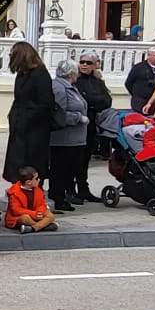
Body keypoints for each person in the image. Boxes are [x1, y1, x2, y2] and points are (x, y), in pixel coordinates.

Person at [4, 41, 53, 182]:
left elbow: (46, 103)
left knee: (32, 163)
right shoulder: (21, 74)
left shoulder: (40, 74)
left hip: (34, 130)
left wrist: (27, 117)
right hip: (19, 126)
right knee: (17, 164)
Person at [50, 60, 90, 209]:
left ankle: (63, 196)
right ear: (71, 73)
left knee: (69, 170)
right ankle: (58, 199)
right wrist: (79, 118)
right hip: (63, 139)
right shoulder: (59, 88)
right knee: (60, 170)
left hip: (74, 139)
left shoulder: (71, 87)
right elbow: (59, 114)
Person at [76, 54, 113, 167]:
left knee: (87, 155)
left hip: (93, 123)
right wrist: (95, 101)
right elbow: (81, 100)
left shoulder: (98, 81)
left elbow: (107, 100)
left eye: (88, 63)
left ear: (94, 66)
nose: (85, 65)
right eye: (82, 62)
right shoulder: (75, 80)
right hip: (79, 123)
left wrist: (92, 102)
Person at [5, 166, 57, 233]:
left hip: (36, 214)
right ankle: (42, 226)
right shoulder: (15, 192)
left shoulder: (37, 190)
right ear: (29, 182)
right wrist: (34, 214)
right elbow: (16, 210)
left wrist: (39, 212)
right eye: (36, 178)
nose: (39, 180)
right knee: (25, 218)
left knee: (50, 216)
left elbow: (42, 204)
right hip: (19, 217)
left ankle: (32, 228)